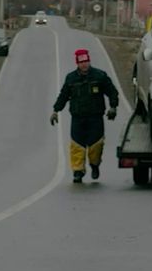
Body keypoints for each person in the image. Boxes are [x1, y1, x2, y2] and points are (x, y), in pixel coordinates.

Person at [50, 48, 119, 183]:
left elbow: (112, 92)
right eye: (81, 62)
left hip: (95, 118)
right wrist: (55, 111)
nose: (84, 64)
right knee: (77, 146)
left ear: (89, 61)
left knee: (96, 146)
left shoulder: (100, 76)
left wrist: (113, 107)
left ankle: (94, 165)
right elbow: (63, 96)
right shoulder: (71, 78)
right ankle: (78, 171)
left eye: (86, 61)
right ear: (77, 63)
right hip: (77, 118)